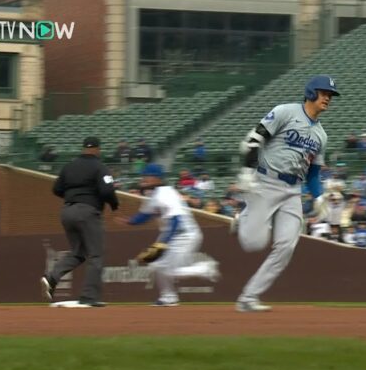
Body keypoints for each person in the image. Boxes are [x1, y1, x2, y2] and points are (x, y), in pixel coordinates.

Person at [231, 75, 339, 312]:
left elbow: (313, 172)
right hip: (266, 181)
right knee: (253, 243)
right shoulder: (285, 112)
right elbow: (252, 140)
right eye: (324, 93)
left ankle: (249, 297)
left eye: (330, 96)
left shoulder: (321, 135)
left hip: (293, 190)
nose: (328, 99)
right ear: (311, 92)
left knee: (287, 246)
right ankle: (243, 220)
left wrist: (318, 196)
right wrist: (248, 171)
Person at [115, 164, 220, 305]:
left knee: (169, 269)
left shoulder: (166, 194)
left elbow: (176, 220)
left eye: (147, 176)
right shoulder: (153, 194)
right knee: (156, 265)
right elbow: (145, 215)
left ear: (157, 178)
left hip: (184, 234)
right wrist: (130, 221)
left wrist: (161, 245)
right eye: (144, 176)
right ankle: (168, 297)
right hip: (173, 234)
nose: (144, 178)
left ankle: (204, 269)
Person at [41, 137, 119, 307]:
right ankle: (89, 297)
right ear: (98, 149)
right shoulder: (100, 167)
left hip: (67, 212)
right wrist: (114, 204)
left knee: (78, 253)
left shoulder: (69, 166)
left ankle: (52, 277)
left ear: (83, 148)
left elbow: (56, 189)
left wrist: (73, 198)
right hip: (88, 212)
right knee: (96, 255)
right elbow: (107, 190)